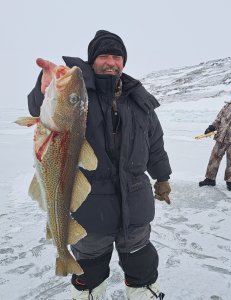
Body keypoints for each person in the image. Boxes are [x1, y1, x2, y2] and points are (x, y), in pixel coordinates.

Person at [28, 30, 172, 300]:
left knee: (142, 265)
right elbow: (43, 111)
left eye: (116, 57)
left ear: (123, 62)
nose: (111, 62)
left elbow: (155, 143)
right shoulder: (80, 93)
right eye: (103, 56)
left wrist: (162, 178)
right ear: (92, 60)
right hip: (92, 209)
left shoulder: (139, 100)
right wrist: (43, 90)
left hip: (136, 205)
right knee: (90, 272)